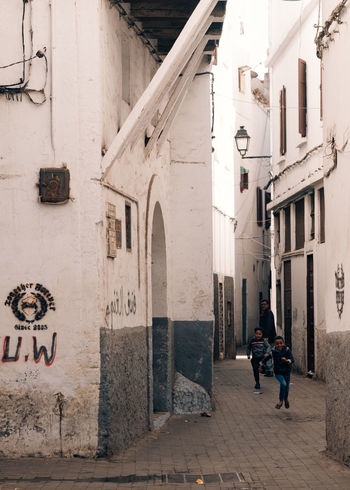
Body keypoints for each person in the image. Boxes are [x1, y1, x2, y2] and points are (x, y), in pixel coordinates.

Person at [261, 335, 294, 409]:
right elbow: (266, 358)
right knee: (283, 384)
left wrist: (287, 360)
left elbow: (292, 359)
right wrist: (260, 365)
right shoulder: (273, 352)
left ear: (283, 343)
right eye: (277, 344)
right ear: (274, 345)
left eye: (281, 343)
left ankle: (286, 399)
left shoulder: (287, 350)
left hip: (287, 371)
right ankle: (281, 401)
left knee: (287, 387)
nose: (279, 345)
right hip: (278, 372)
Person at [259, 299, 276, 376]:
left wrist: (266, 336)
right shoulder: (264, 313)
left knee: (267, 353)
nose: (263, 306)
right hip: (267, 336)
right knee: (267, 353)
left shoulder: (268, 313)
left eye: (264, 304)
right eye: (262, 304)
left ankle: (270, 370)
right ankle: (268, 369)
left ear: (268, 305)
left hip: (269, 337)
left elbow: (269, 326)